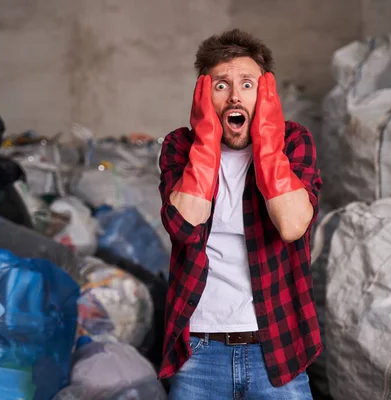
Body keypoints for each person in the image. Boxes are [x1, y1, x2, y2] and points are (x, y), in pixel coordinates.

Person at [158, 28, 323, 400]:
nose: (234, 95)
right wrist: (204, 142)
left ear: (265, 93)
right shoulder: (179, 147)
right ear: (203, 93)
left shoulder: (294, 142)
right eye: (220, 85)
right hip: (199, 351)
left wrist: (267, 144)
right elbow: (184, 225)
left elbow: (292, 225)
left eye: (247, 84)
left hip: (276, 349)